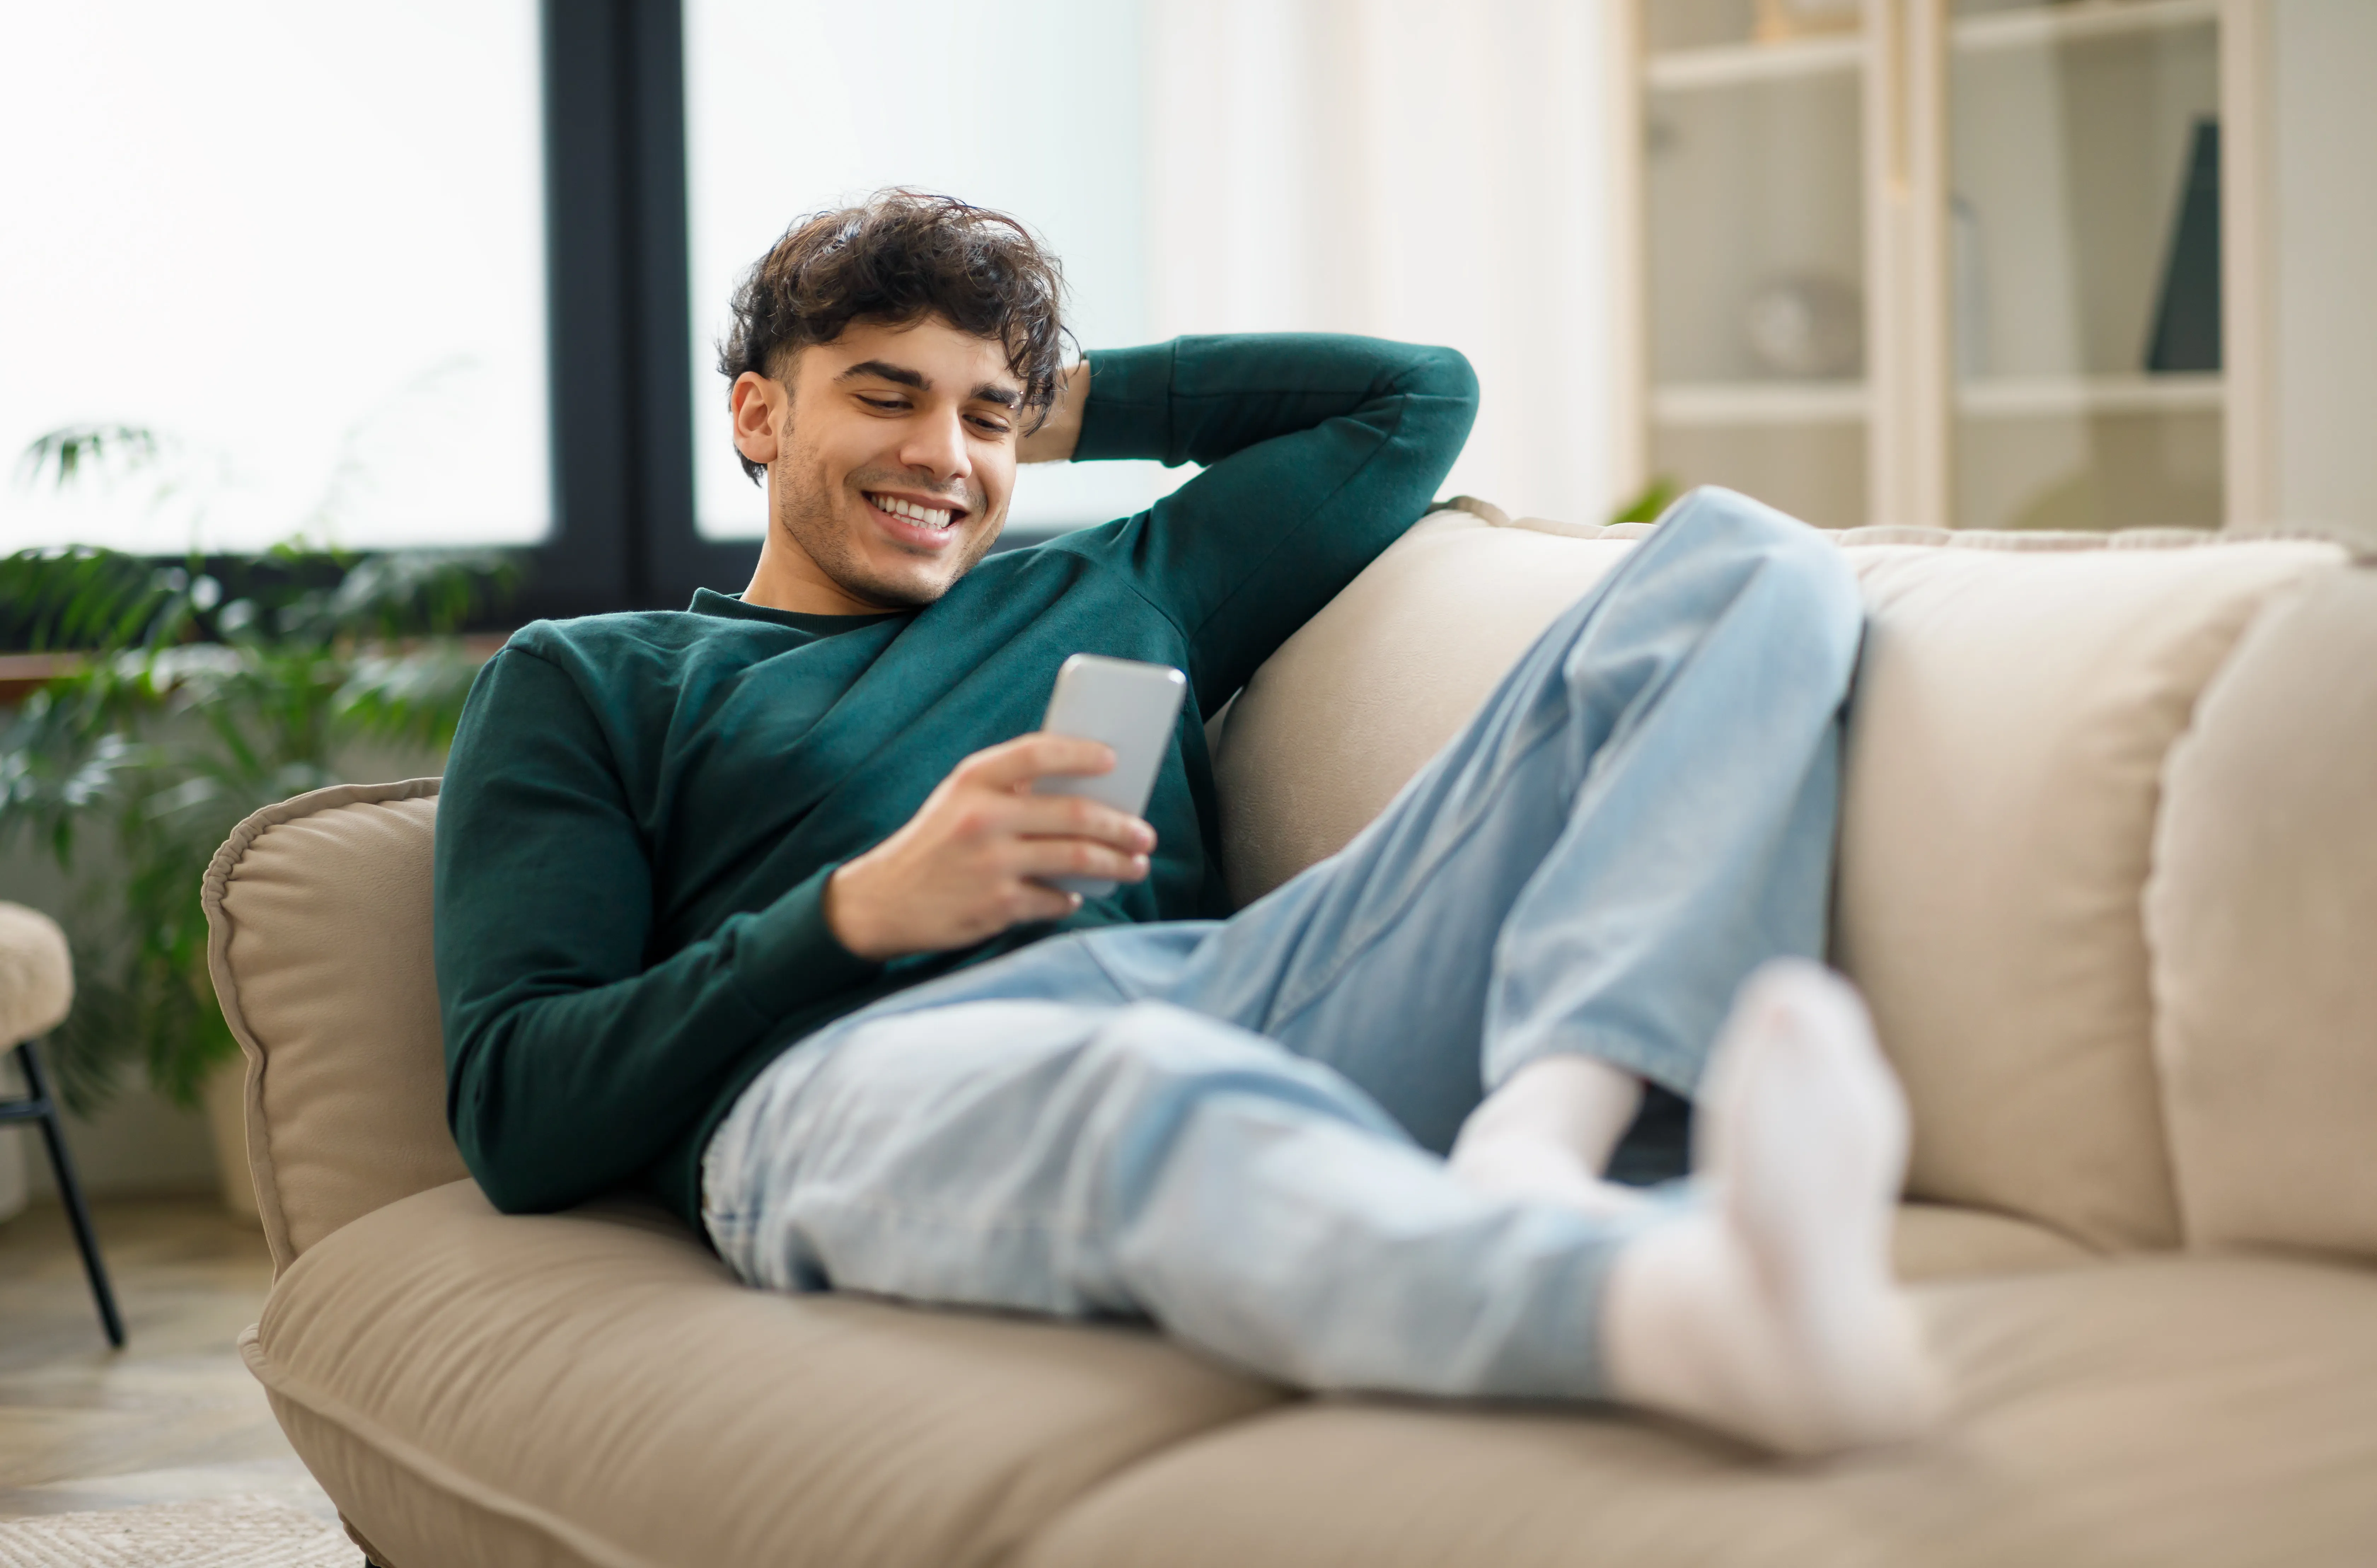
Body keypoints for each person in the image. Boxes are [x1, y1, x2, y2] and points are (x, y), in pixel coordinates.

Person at [434, 190, 1941, 1458]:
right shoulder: (597, 679)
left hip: (1238, 993)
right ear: (759, 414)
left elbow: (1414, 399)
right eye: (886, 395)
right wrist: (855, 913)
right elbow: (519, 1105)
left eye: (987, 419)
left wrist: (1056, 392)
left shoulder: (1114, 584)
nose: (944, 459)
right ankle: (1654, 1306)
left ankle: (1546, 1135)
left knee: (1749, 563)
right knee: (1144, 1081)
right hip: (854, 1071)